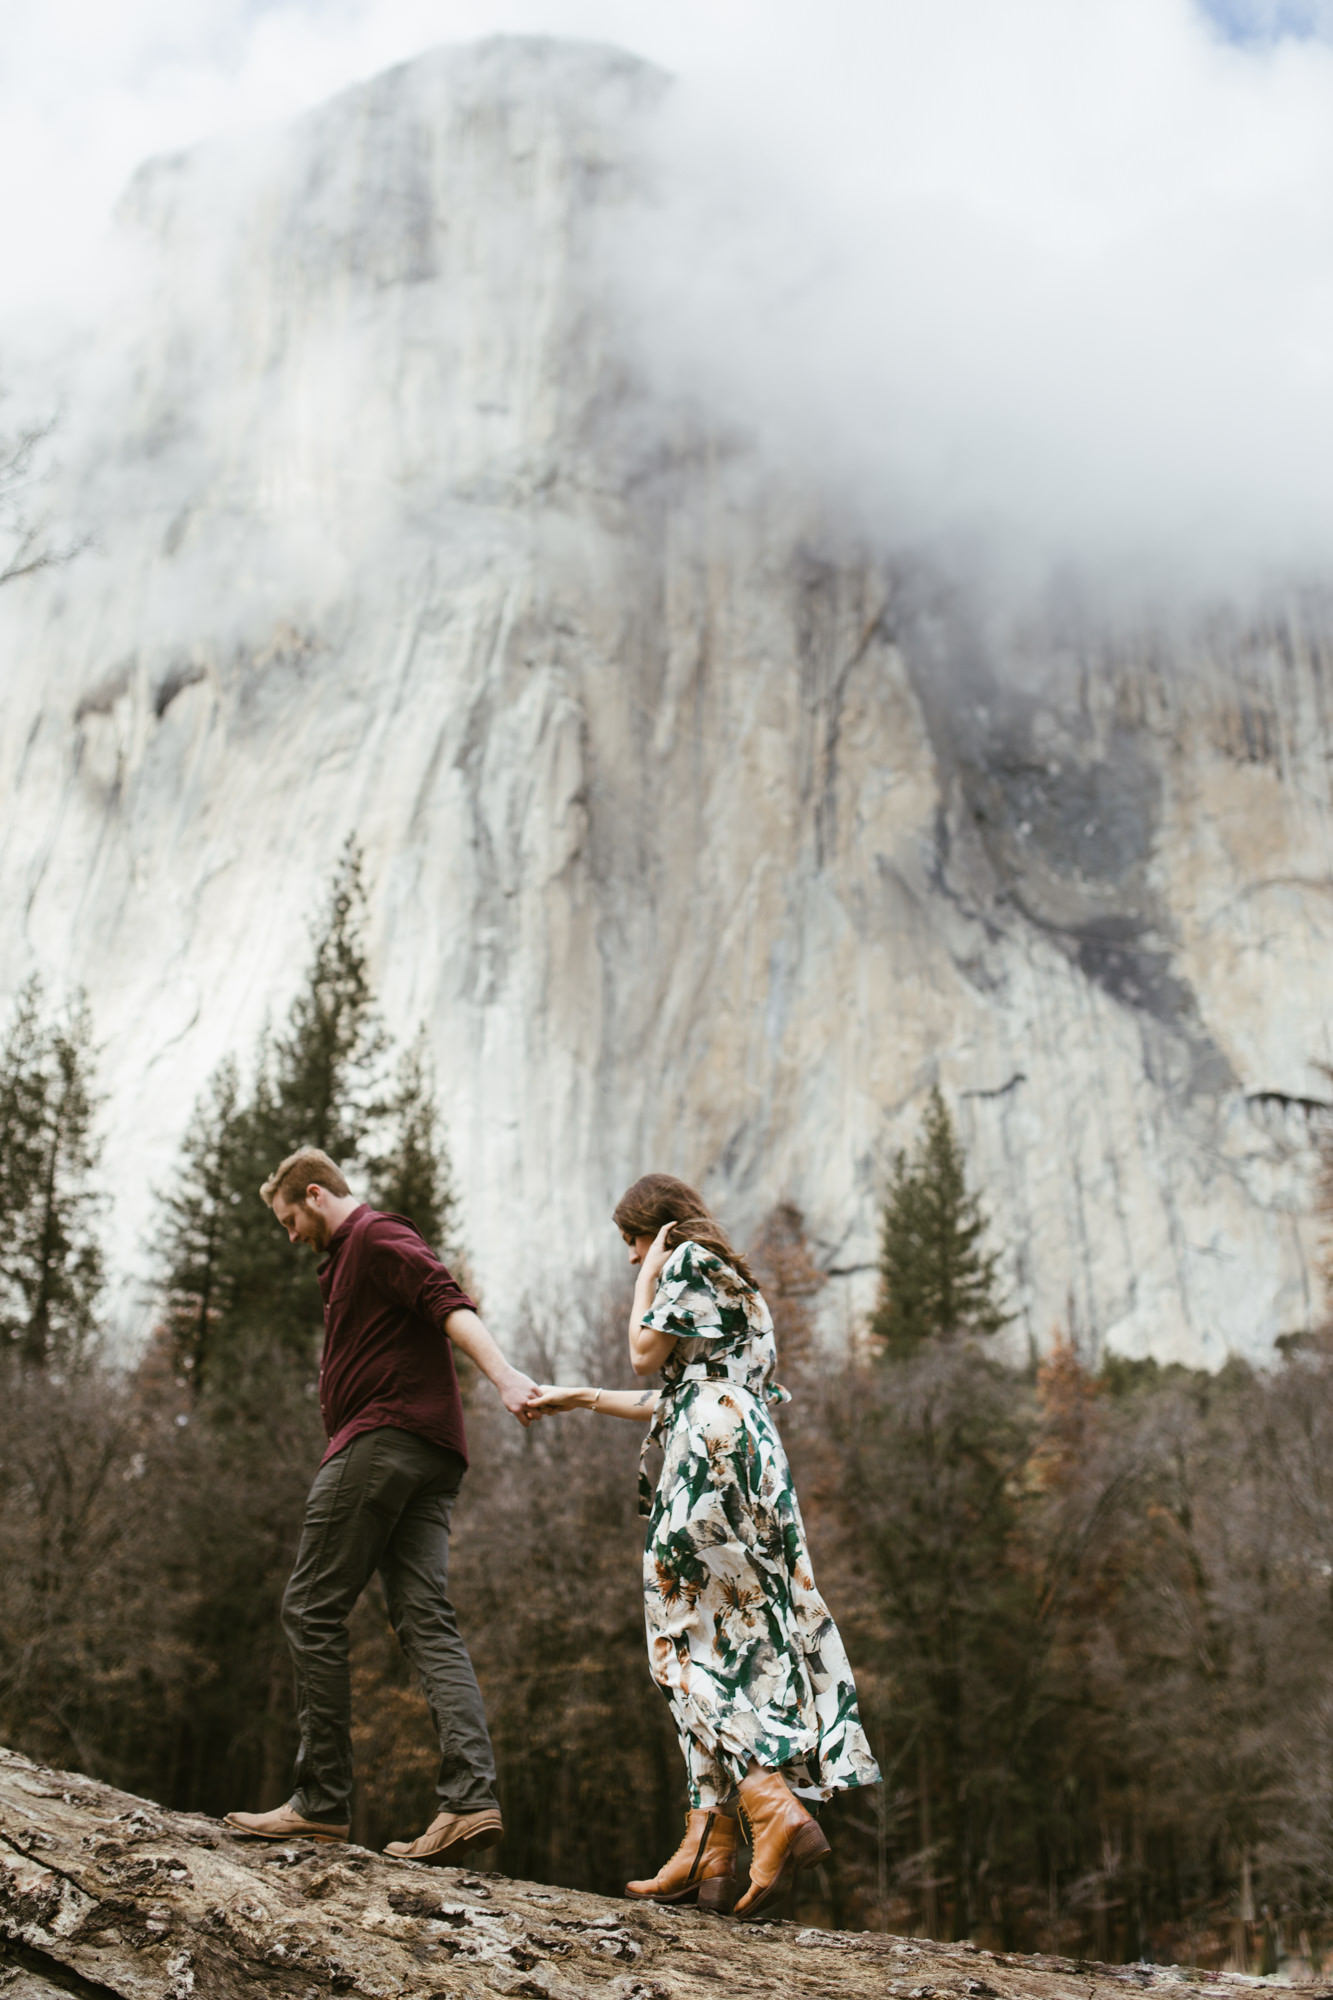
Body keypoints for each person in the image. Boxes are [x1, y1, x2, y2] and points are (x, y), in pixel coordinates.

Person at [531, 1173, 880, 1921]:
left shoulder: (682, 1263)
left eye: (631, 1240)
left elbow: (642, 1355)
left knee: (676, 1645)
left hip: (707, 1461)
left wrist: (651, 1270)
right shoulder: (738, 1285)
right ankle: (711, 1852)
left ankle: (767, 1798)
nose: (630, 1259)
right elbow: (689, 1390)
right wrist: (580, 1398)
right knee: (736, 1644)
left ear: (655, 1228)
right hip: (748, 1454)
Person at [224, 1146, 540, 1863]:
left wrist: (505, 1378)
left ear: (313, 1193)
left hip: (386, 1439)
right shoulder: (345, 1260)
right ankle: (469, 1801)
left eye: (287, 1219)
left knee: (310, 1606)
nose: (288, 1234)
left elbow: (446, 1300)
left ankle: (321, 1801)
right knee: (425, 1620)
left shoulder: (373, 1235)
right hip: (428, 1453)